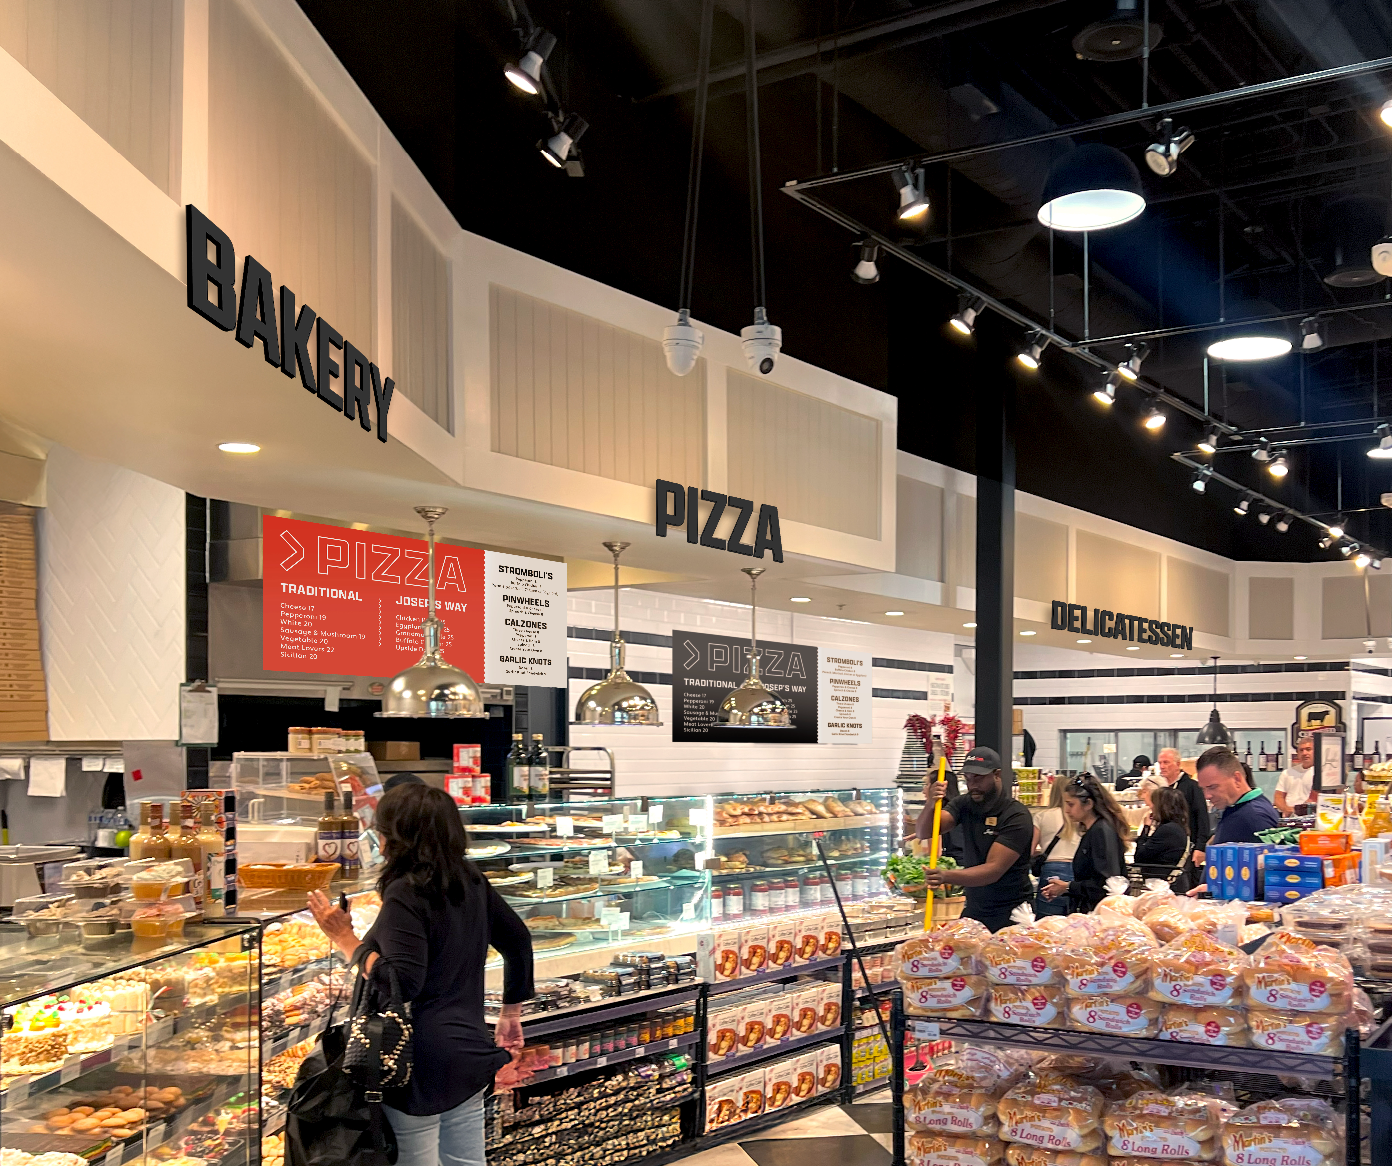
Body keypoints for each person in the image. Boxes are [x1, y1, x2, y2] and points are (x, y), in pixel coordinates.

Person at [308, 782, 535, 1166]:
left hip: (414, 1058)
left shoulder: (405, 892)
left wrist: (345, 939)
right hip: (467, 1050)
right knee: (465, 1161)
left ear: (397, 837)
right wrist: (510, 1013)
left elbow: (402, 981)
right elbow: (518, 941)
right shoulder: (471, 879)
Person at [920, 747, 1034, 932]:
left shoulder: (1016, 815)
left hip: (1012, 913)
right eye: (968, 778)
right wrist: (931, 803)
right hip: (975, 909)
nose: (972, 785)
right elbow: (924, 831)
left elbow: (993, 870)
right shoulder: (965, 804)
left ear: (996, 775)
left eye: (979, 778)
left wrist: (946, 876)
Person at [1040, 775, 1131, 913]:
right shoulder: (1096, 829)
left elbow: (1103, 883)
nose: (1067, 810)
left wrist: (1068, 887)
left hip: (1101, 912)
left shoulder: (1100, 831)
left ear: (1088, 804)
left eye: (1071, 804)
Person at [1196, 745, 1281, 845]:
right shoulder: (1241, 808)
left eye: (1212, 787)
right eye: (1203, 789)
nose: (1207, 796)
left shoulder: (1253, 816)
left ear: (1237, 779)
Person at [1156, 747, 1210, 874]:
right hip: (1166, 849)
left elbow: (1202, 818)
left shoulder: (1192, 787)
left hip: (1187, 848)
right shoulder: (1160, 787)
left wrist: (1200, 847)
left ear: (1178, 764)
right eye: (1160, 763)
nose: (1162, 766)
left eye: (1166, 762)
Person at [1032, 777, 1080, 917]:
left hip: (1051, 871)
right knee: (1075, 920)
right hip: (1077, 871)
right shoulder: (1079, 816)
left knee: (1048, 922)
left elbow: (1030, 850)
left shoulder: (1041, 816)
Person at [1133, 785, 1192, 888]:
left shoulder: (1168, 830)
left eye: (1154, 803)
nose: (1151, 807)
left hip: (1161, 886)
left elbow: (1139, 857)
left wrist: (1146, 829)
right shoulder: (1177, 827)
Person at [1274, 735, 1315, 816]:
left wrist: (1302, 810)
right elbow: (1278, 797)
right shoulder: (1287, 773)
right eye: (1301, 750)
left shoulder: (1323, 773)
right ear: (1297, 753)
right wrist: (1287, 809)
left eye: (1308, 749)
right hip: (1289, 818)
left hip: (1311, 816)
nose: (1304, 753)